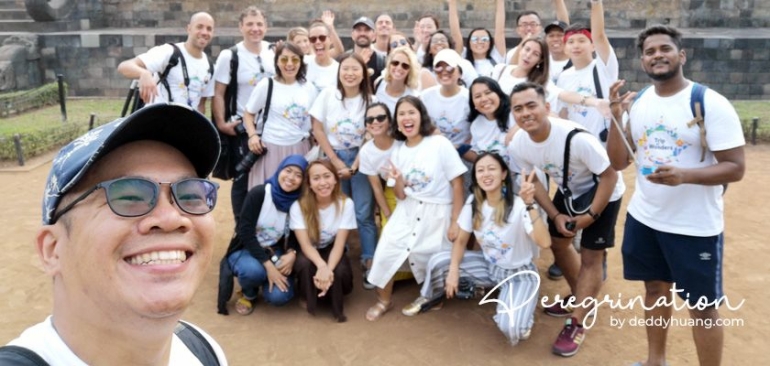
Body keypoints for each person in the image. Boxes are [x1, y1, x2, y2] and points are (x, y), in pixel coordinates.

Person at [2, 104, 227, 364]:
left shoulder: (203, 349)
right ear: (53, 250)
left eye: (191, 195)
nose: (171, 218)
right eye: (128, 195)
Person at [606, 25, 746, 366]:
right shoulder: (639, 103)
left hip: (694, 226)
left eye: (665, 48)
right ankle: (656, 361)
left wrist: (685, 176)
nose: (657, 55)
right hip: (645, 218)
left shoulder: (709, 102)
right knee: (654, 291)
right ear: (642, 61)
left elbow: (735, 168)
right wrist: (614, 117)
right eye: (650, 51)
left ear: (680, 55)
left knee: (702, 309)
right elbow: (618, 160)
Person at [508, 82, 620, 357]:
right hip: (570, 192)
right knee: (558, 245)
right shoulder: (519, 144)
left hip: (604, 193)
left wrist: (591, 215)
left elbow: (610, 176)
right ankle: (580, 296)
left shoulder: (578, 138)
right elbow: (534, 182)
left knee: (592, 257)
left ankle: (579, 321)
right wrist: (556, 214)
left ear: (547, 107)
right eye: (518, 108)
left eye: (531, 105)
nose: (525, 113)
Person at [418, 153, 550, 345]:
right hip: (490, 267)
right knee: (438, 261)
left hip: (518, 273)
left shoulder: (520, 206)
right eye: (480, 170)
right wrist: (453, 272)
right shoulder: (474, 202)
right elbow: (461, 241)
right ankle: (432, 297)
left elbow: (544, 243)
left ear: (504, 174)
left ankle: (523, 308)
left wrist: (530, 204)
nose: (485, 174)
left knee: (512, 328)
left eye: (491, 169)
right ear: (476, 177)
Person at [365, 96, 466, 321]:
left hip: (438, 212)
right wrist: (398, 179)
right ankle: (384, 301)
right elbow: (400, 194)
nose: (407, 118)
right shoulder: (399, 151)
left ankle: (433, 297)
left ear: (421, 116)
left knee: (433, 259)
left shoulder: (439, 144)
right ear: (397, 122)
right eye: (401, 114)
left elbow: (457, 183)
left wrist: (454, 220)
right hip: (408, 209)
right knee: (386, 251)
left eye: (411, 112)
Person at [310, 53, 377, 290]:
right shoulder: (329, 94)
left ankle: (369, 260)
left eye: (355, 69)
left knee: (362, 212)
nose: (350, 73)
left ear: (363, 73)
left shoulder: (371, 100)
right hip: (331, 158)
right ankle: (338, 257)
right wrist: (336, 161)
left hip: (362, 160)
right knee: (337, 209)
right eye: (345, 68)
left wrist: (356, 163)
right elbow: (317, 129)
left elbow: (373, 133)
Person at [221, 155, 308, 315]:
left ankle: (265, 283)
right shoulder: (259, 193)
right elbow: (244, 232)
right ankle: (249, 293)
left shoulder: (298, 202)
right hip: (246, 248)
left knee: (279, 296)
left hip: (275, 249)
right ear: (280, 170)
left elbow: (297, 234)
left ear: (303, 181)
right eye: (288, 171)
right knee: (254, 271)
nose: (291, 178)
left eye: (298, 175)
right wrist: (268, 266)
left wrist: (292, 253)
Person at [212, 6, 276, 226]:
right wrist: (221, 123)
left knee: (269, 177)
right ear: (241, 27)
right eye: (249, 24)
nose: (255, 29)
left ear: (266, 27)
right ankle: (242, 228)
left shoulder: (274, 51)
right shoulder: (230, 56)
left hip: (271, 127)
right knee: (242, 180)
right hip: (243, 128)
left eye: (259, 24)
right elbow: (218, 93)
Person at [242, 42, 317, 190]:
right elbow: (248, 113)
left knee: (298, 197)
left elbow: (314, 119)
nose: (289, 64)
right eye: (284, 59)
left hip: (299, 148)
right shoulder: (267, 84)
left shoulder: (308, 87)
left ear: (301, 62)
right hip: (270, 149)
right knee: (268, 195)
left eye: (295, 59)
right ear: (277, 62)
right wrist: (252, 136)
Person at [290, 160, 356, 323]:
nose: (323, 183)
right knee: (305, 265)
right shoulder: (298, 207)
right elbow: (305, 245)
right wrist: (321, 266)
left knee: (341, 272)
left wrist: (327, 270)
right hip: (310, 249)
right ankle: (307, 297)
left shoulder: (346, 204)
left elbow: (340, 244)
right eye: (316, 178)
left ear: (335, 179)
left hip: (332, 247)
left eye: (327, 176)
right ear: (309, 184)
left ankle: (331, 297)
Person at [117, 12, 215, 113]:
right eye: (199, 27)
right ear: (189, 29)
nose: (204, 32)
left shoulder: (209, 66)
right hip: (156, 120)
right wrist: (144, 74)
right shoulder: (169, 52)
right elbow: (124, 66)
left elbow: (200, 105)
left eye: (209, 29)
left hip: (186, 124)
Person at [420, 49, 472, 161]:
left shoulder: (469, 98)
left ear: (460, 73)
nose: (444, 72)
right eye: (438, 68)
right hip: (432, 155)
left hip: (461, 155)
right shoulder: (425, 96)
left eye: (450, 68)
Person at [358, 103, 401, 228]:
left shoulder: (402, 143)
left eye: (380, 118)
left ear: (390, 121)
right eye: (370, 119)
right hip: (390, 192)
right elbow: (376, 188)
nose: (375, 122)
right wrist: (388, 216)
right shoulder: (366, 151)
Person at [448, 0, 506, 77]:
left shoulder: (496, 56)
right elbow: (455, 34)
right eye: (475, 39)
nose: (479, 42)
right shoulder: (463, 57)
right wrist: (452, 3)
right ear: (469, 43)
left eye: (484, 39)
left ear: (490, 43)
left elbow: (500, 32)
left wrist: (500, 2)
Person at [374, 46, 421, 115]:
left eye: (405, 66)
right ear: (389, 64)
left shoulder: (414, 97)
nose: (399, 68)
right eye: (395, 63)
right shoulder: (378, 83)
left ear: (410, 70)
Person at [347, 16, 387, 91]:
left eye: (367, 30)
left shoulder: (382, 62)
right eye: (358, 30)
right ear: (352, 35)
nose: (362, 33)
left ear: (374, 36)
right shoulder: (344, 59)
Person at [305, 18, 341, 93]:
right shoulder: (303, 63)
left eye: (322, 38)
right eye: (313, 39)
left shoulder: (339, 69)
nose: (318, 42)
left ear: (330, 40)